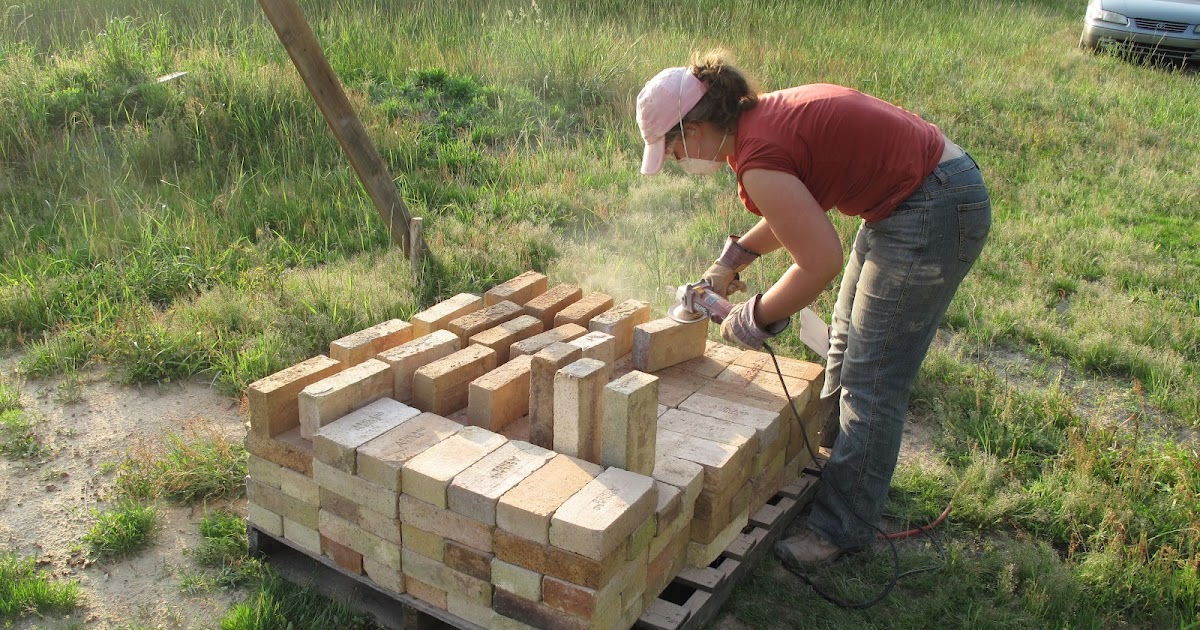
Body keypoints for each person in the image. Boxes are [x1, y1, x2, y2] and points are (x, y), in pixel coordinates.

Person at [635, 51, 991, 567]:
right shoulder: (757, 124)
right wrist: (731, 261)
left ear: (697, 127)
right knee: (844, 343)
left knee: (871, 379)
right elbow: (795, 211)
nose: (671, 160)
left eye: (671, 147)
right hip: (914, 193)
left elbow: (819, 260)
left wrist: (752, 318)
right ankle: (840, 472)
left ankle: (841, 530)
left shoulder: (757, 155)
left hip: (931, 206)